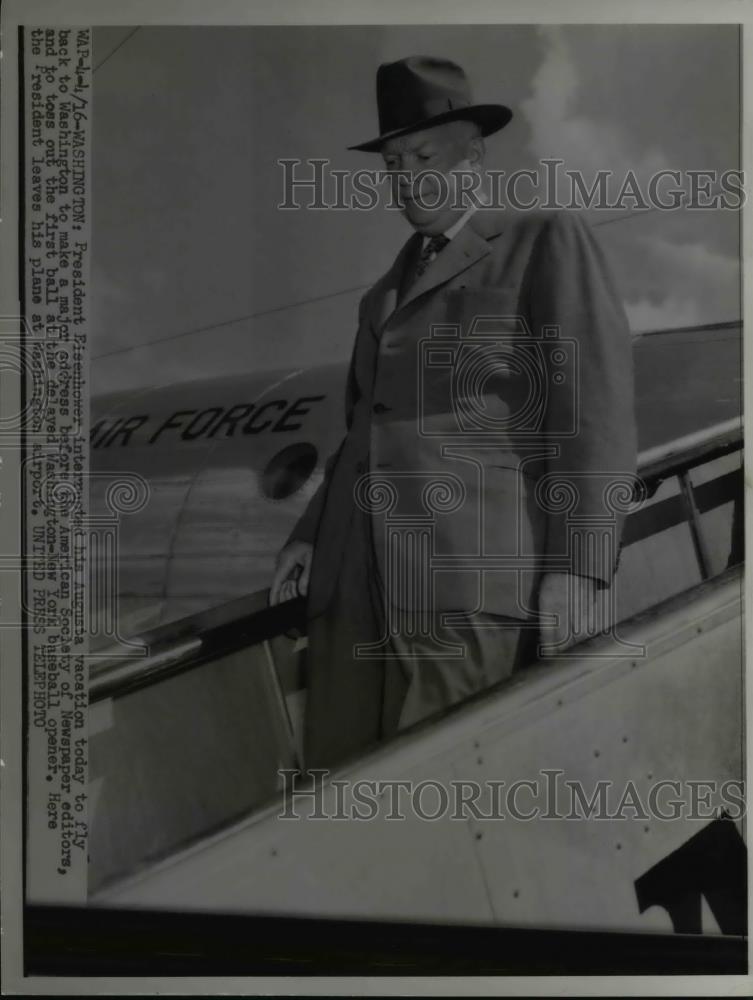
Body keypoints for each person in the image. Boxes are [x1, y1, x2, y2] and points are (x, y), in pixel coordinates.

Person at [270, 56, 637, 770]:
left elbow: (593, 414)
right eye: (394, 161)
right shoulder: (379, 295)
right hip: (355, 597)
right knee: (344, 815)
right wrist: (311, 533)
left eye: (424, 155)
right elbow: (361, 432)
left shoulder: (543, 239)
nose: (405, 176)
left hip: (469, 585)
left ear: (474, 156)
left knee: (448, 804)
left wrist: (579, 567)